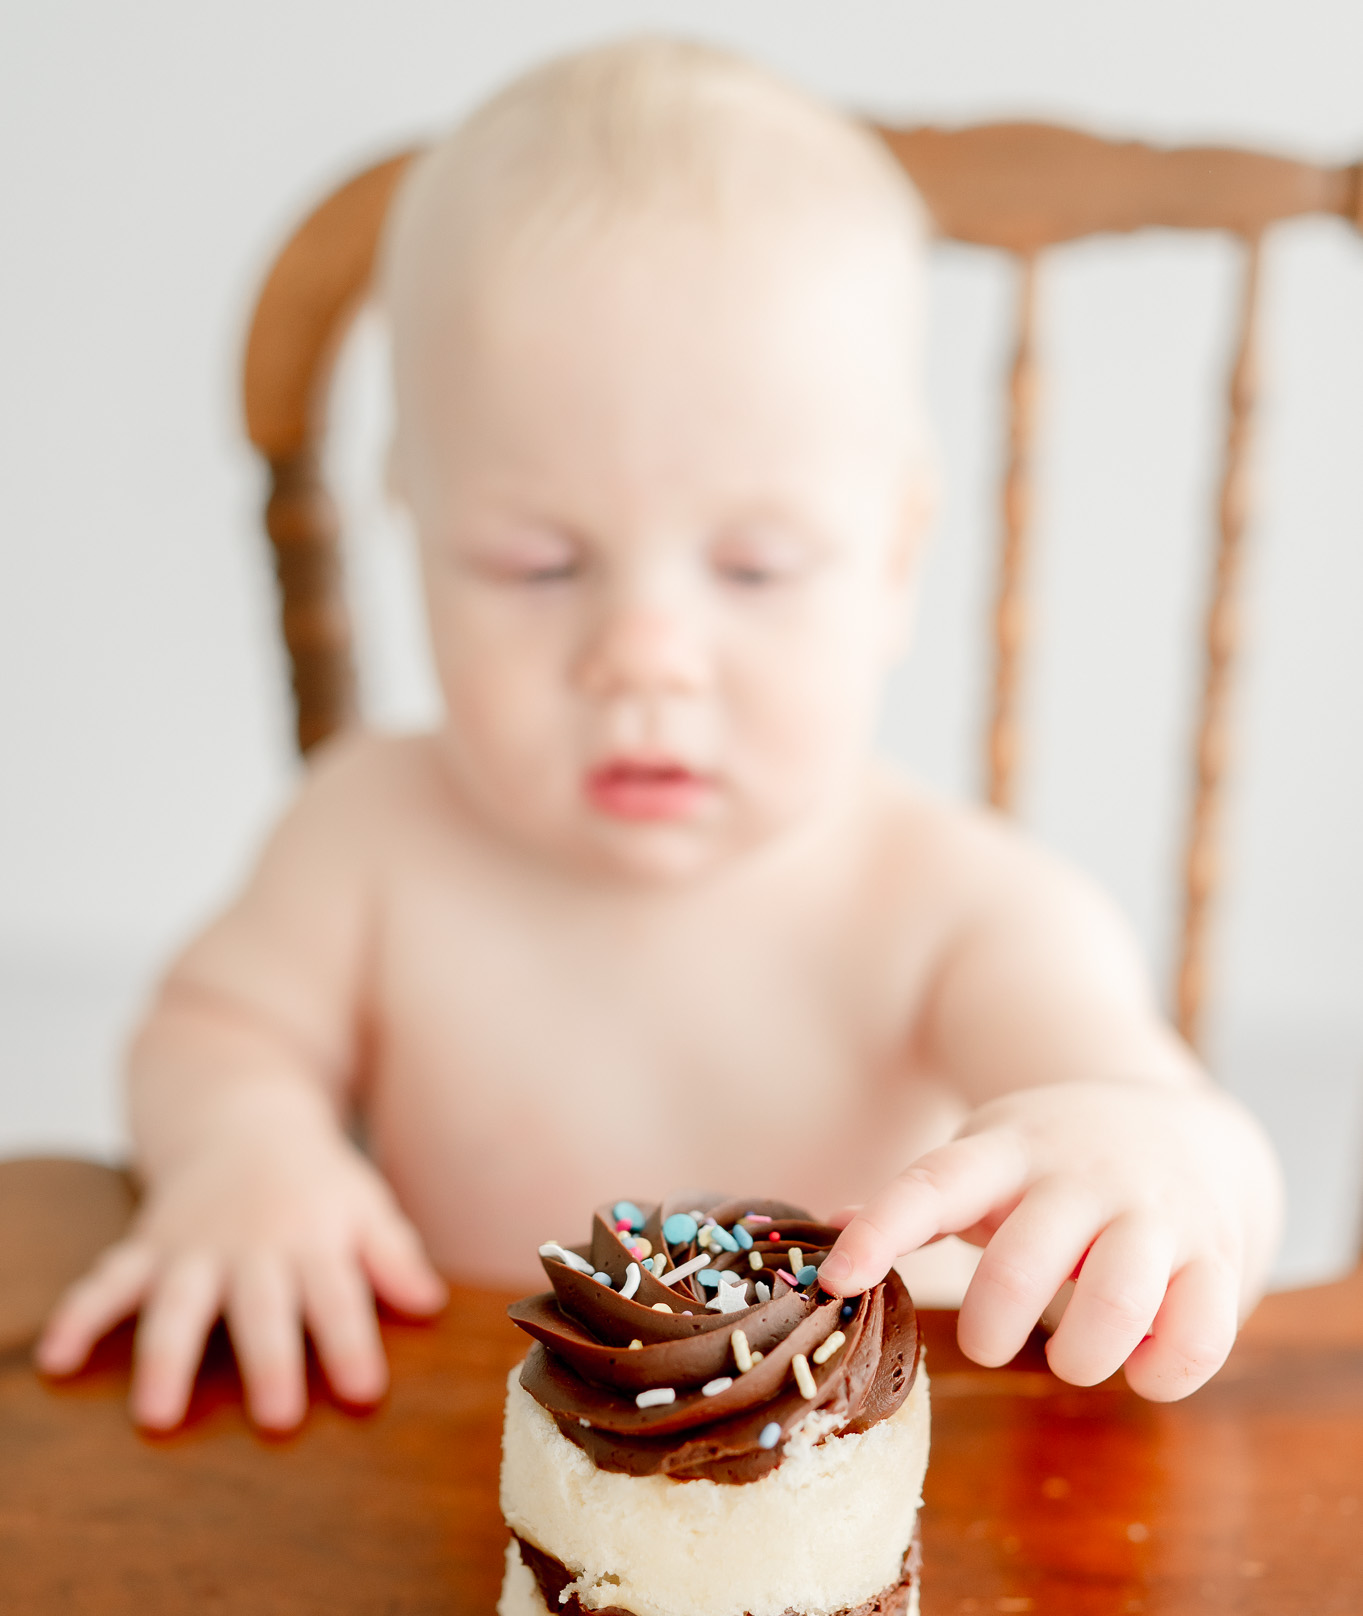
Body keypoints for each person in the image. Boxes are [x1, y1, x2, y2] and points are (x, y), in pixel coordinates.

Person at [36, 38, 1281, 1433]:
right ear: (416, 529)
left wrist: (1151, 1159)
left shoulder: (958, 909)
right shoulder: (370, 836)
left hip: (848, 1532)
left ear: (894, 561)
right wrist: (249, 1153)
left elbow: (1183, 1132)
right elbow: (210, 1031)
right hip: (464, 1486)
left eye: (751, 569)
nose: (643, 655)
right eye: (534, 565)